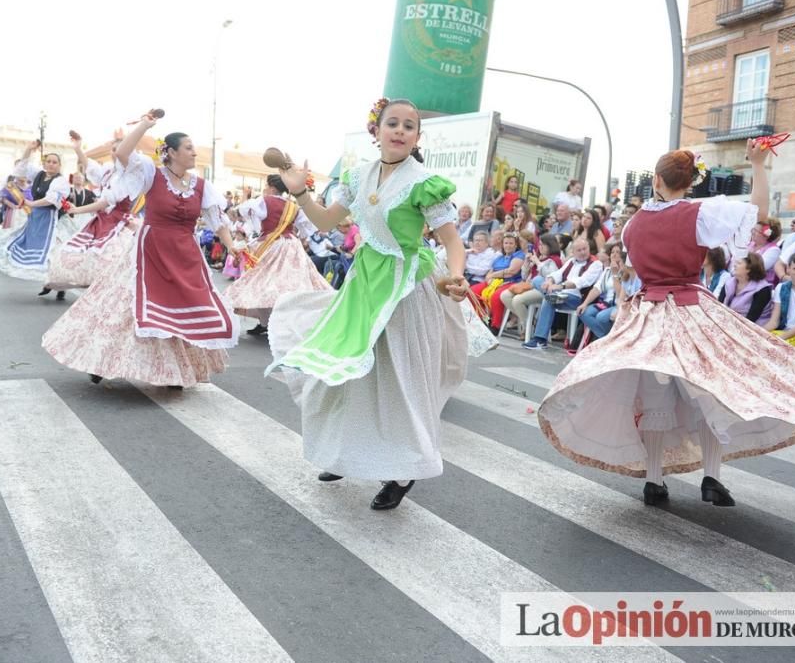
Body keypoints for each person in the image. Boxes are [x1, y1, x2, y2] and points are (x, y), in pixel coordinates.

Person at [537, 141, 795, 508]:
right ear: (691, 182)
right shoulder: (699, 214)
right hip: (691, 311)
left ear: (656, 180)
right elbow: (760, 212)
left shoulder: (632, 226)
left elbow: (639, 265)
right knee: (709, 391)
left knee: (655, 401)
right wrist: (758, 164)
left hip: (649, 315)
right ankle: (712, 479)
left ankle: (654, 482)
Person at [267, 98, 477, 512]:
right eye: (392, 123)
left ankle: (402, 471)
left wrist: (455, 275)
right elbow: (327, 221)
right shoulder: (358, 176)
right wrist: (302, 192)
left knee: (401, 381)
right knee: (349, 375)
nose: (400, 131)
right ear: (376, 130)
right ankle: (347, 453)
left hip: (406, 290)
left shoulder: (424, 182)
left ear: (417, 137)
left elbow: (452, 241)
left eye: (409, 126)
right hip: (364, 287)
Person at [42, 113, 241, 387]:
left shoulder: (202, 187)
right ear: (170, 152)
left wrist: (231, 247)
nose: (195, 152)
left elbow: (218, 221)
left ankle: (173, 371)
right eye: (188, 148)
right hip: (150, 249)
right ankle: (103, 361)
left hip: (185, 253)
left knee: (183, 306)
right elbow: (124, 152)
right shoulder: (151, 174)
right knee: (126, 305)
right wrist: (145, 125)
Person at [224, 174, 332, 336]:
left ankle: (267, 322)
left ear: (272, 187)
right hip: (291, 246)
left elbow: (243, 212)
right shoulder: (293, 206)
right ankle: (271, 322)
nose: (265, 189)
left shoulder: (264, 201)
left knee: (263, 282)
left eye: (266, 185)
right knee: (285, 285)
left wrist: (235, 211)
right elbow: (306, 227)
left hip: (271, 245)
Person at [41, 131, 145, 296]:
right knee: (74, 254)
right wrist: (78, 148)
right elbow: (90, 166)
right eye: (113, 149)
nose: (116, 153)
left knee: (113, 262)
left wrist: (77, 209)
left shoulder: (129, 177)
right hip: (101, 222)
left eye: (120, 149)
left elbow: (105, 202)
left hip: (119, 224)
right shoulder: (110, 171)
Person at [0, 141, 74, 284]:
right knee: (23, 242)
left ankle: (58, 283)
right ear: (44, 164)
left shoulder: (61, 181)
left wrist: (31, 203)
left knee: (55, 251)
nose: (51, 164)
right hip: (36, 216)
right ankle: (51, 282)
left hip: (55, 219)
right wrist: (28, 150)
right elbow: (20, 169)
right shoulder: (39, 174)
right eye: (48, 161)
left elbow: (51, 199)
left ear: (59, 165)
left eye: (55, 162)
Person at [521, 237, 601, 349]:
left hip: (578, 298)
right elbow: (558, 274)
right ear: (573, 252)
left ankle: (540, 339)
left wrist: (559, 286)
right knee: (538, 281)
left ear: (589, 248)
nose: (583, 252)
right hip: (561, 294)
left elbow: (583, 281)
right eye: (579, 250)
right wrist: (549, 281)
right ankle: (540, 340)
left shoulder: (595, 264)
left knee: (549, 299)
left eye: (585, 249)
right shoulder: (571, 261)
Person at [499, 233, 563, 337]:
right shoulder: (538, 257)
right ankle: (531, 322)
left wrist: (538, 263)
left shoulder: (555, 259)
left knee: (517, 300)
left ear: (550, 245)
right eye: (540, 245)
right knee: (504, 295)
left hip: (542, 289)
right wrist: (526, 263)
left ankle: (527, 327)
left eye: (543, 245)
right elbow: (524, 276)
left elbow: (552, 276)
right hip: (529, 286)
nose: (540, 247)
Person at [576, 242, 638, 340]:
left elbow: (620, 295)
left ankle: (607, 339)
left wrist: (615, 275)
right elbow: (597, 289)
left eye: (618, 252)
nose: (614, 254)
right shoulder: (607, 270)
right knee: (583, 312)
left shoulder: (625, 272)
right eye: (612, 252)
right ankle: (605, 337)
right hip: (606, 303)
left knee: (601, 317)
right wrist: (584, 303)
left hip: (617, 303)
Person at [469, 233, 525, 335]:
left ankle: (495, 325)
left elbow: (511, 271)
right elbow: (489, 274)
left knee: (496, 297)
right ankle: (482, 319)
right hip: (494, 281)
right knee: (472, 292)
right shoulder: (500, 257)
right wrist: (490, 278)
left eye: (511, 243)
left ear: (516, 245)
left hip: (510, 282)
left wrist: (494, 275)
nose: (508, 245)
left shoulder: (519, 255)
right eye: (506, 243)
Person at [719, 253, 773, 326]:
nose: (734, 265)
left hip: (753, 327)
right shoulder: (729, 282)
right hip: (729, 322)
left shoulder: (762, 289)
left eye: (739, 263)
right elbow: (718, 305)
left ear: (749, 268)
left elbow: (751, 318)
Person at [749, 218, 782, 285]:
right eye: (753, 229)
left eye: (756, 230)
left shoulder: (774, 250)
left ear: (765, 235)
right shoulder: (749, 244)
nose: (752, 232)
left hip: (761, 287)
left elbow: (759, 268)